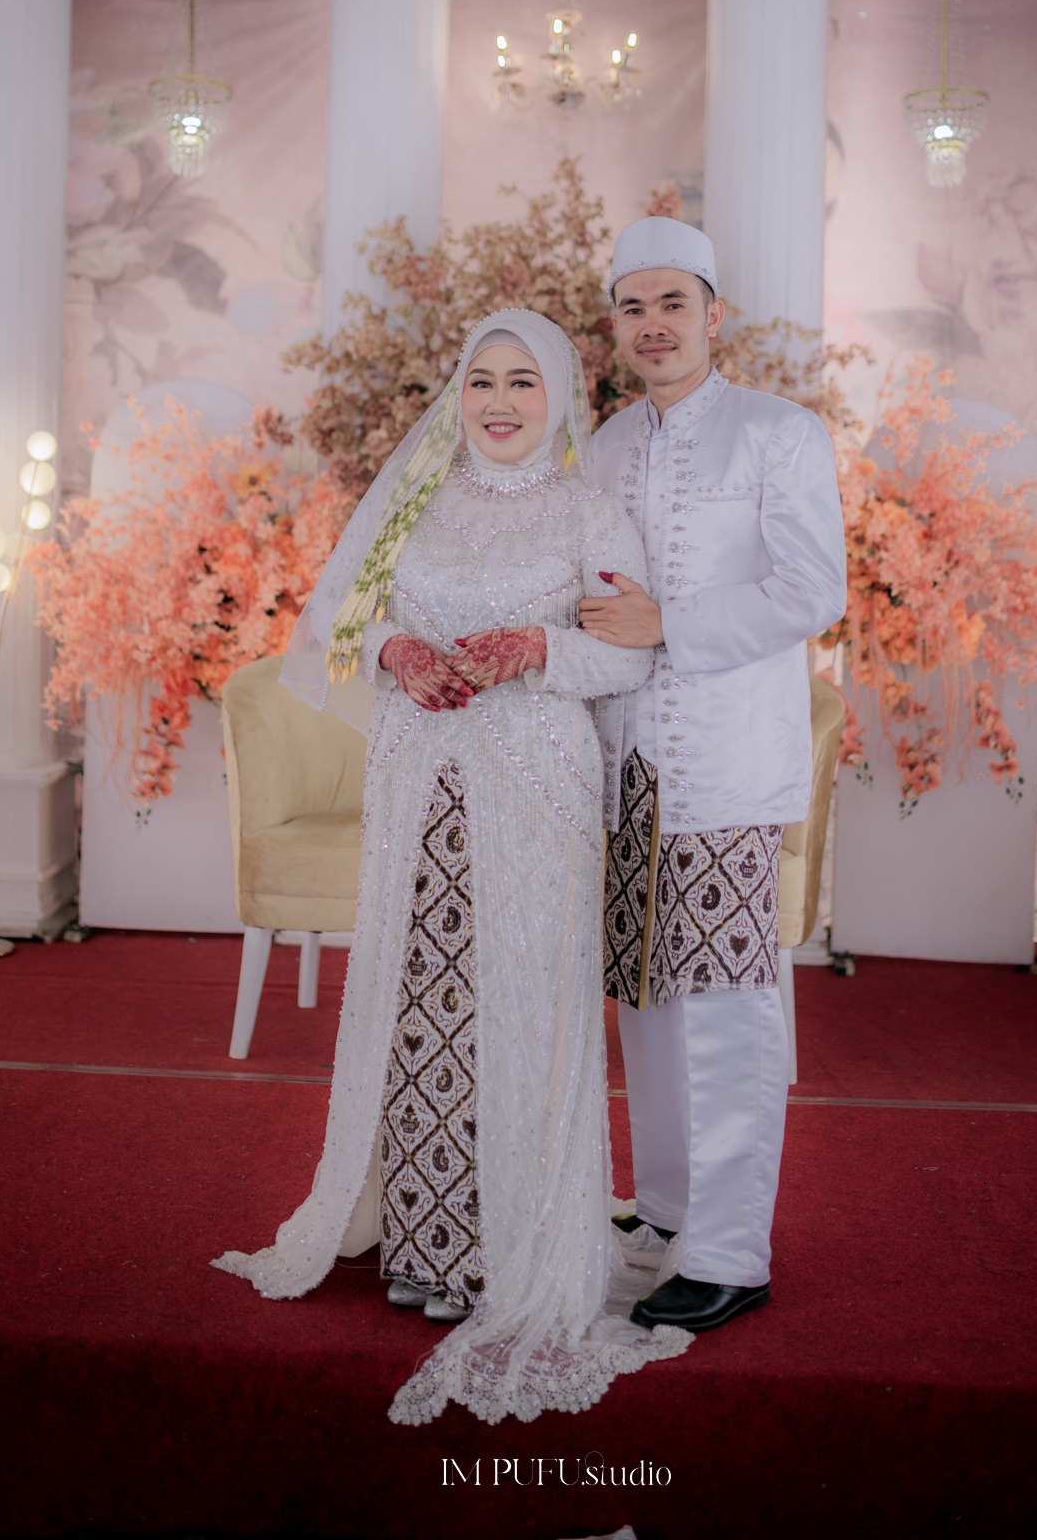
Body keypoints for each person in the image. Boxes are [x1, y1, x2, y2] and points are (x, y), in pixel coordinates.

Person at [215, 309, 692, 1425]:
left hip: (535, 790)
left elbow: (630, 655)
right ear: (458, 393)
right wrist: (394, 648)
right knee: (425, 1000)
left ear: (559, 393)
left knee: (520, 1002)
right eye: (482, 380)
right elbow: (341, 620)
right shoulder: (415, 497)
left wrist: (536, 648)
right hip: (420, 782)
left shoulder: (589, 509)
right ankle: (425, 1238)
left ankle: (506, 1250)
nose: (500, 402)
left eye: (524, 381)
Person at [579, 218, 848, 1335]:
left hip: (726, 766)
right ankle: (666, 1209)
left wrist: (670, 623)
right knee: (644, 996)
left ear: (712, 315)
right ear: (615, 325)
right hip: (625, 764)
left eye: (672, 304)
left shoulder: (780, 432)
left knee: (728, 1008)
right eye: (633, 307)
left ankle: (732, 1250)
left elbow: (812, 590)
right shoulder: (603, 445)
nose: (654, 325)